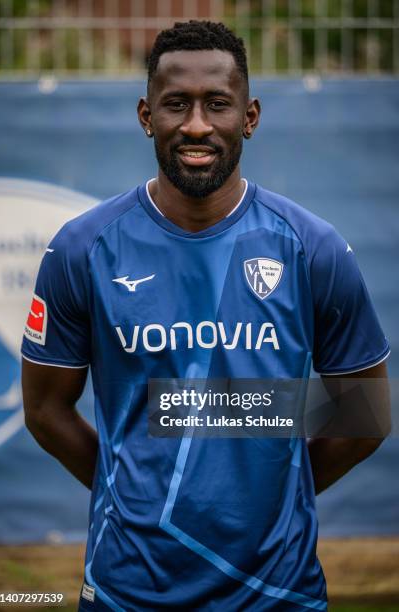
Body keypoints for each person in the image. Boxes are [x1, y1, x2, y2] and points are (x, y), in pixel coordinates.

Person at [21, 20, 390, 612]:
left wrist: (273, 485)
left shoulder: (311, 247)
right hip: (127, 590)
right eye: (176, 105)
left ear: (250, 117)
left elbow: (365, 410)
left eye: (217, 104)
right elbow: (43, 409)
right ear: (147, 116)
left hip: (276, 591)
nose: (196, 125)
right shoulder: (81, 249)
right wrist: (133, 494)